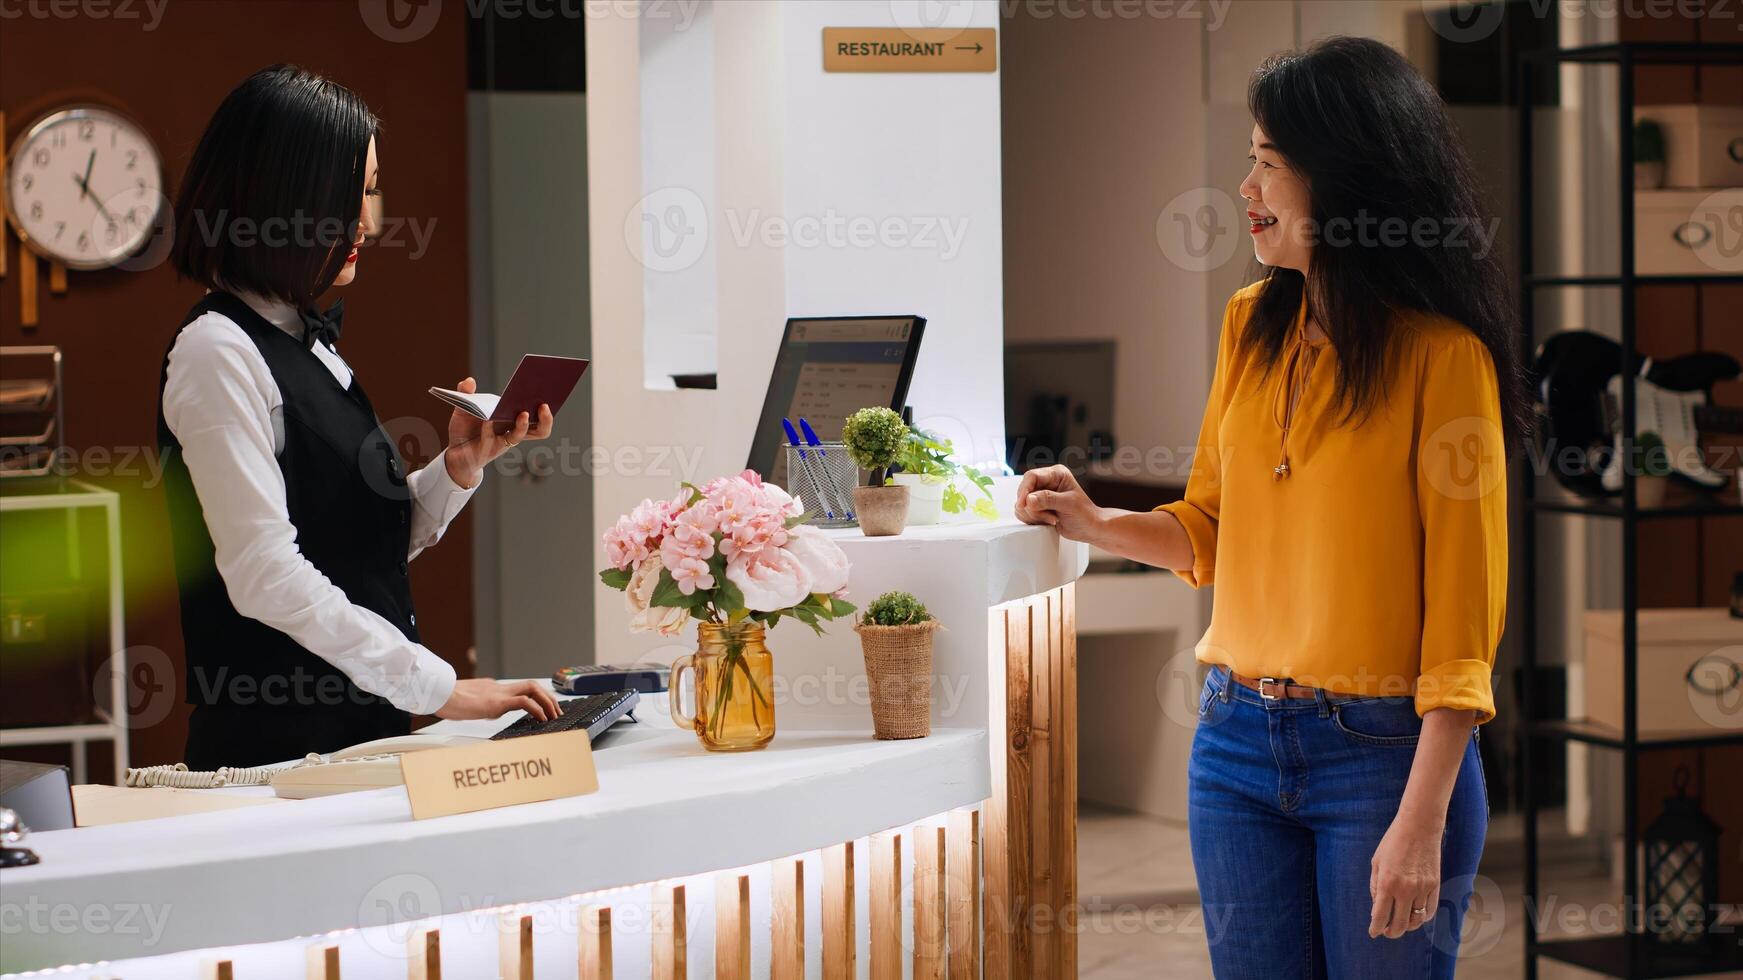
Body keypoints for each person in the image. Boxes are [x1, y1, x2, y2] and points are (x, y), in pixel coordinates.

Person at [1016, 37, 1526, 979]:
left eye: (1266, 162)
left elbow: (1464, 613)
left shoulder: (1443, 358)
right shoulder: (1249, 324)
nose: (1243, 186)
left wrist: (1421, 823)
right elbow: (1209, 528)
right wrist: (1095, 523)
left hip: (1382, 756)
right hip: (1234, 744)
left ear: (1343, 178)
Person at [158, 65, 559, 769]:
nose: (369, 222)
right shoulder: (216, 352)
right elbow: (265, 575)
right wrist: (440, 688)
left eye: (371, 192)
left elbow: (346, 548)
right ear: (284, 196)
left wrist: (457, 469)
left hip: (358, 737)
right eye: (355, 192)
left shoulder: (306, 341)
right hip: (276, 757)